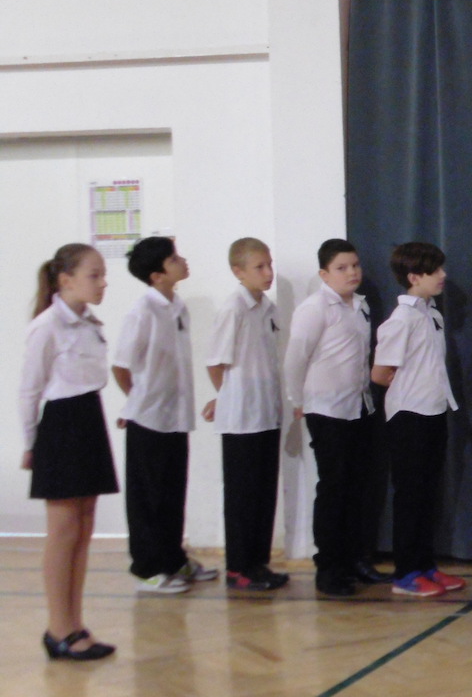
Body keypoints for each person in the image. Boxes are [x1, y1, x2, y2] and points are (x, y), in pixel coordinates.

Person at [20, 244, 118, 660]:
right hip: (61, 427)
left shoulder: (89, 322)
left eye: (102, 275)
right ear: (65, 281)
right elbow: (29, 390)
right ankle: (58, 628)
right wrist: (30, 443)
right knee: (63, 533)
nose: (103, 282)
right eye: (94, 275)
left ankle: (75, 624)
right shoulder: (47, 326)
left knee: (84, 528)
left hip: (88, 419)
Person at [112, 236, 213, 594]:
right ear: (157, 275)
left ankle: (173, 559)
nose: (182, 261)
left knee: (172, 493)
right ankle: (147, 568)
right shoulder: (142, 312)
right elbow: (121, 366)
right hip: (149, 419)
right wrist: (139, 401)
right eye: (173, 259)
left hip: (176, 417)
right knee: (147, 498)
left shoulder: (177, 306)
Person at [286, 238, 380, 597]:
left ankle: (354, 559)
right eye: (342, 268)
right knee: (333, 489)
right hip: (327, 410)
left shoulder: (360, 305)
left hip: (358, 406)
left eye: (355, 265)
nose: (352, 272)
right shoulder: (314, 309)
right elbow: (295, 358)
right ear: (324, 274)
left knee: (357, 488)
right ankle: (328, 568)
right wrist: (298, 400)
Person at [372, 242, 463, 599]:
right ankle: (406, 572)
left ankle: (425, 565)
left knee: (428, 494)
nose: (442, 276)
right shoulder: (402, 319)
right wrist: (409, 388)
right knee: (410, 496)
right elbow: (380, 372)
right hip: (409, 417)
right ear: (413, 277)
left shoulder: (431, 314)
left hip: (433, 411)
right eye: (434, 270)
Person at [203, 237, 289, 591]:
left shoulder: (267, 307)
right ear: (238, 272)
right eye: (259, 267)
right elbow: (215, 362)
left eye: (270, 265)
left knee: (263, 494)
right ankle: (239, 567)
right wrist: (225, 396)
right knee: (242, 496)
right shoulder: (233, 309)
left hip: (267, 412)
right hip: (241, 419)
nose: (268, 273)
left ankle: (258, 563)